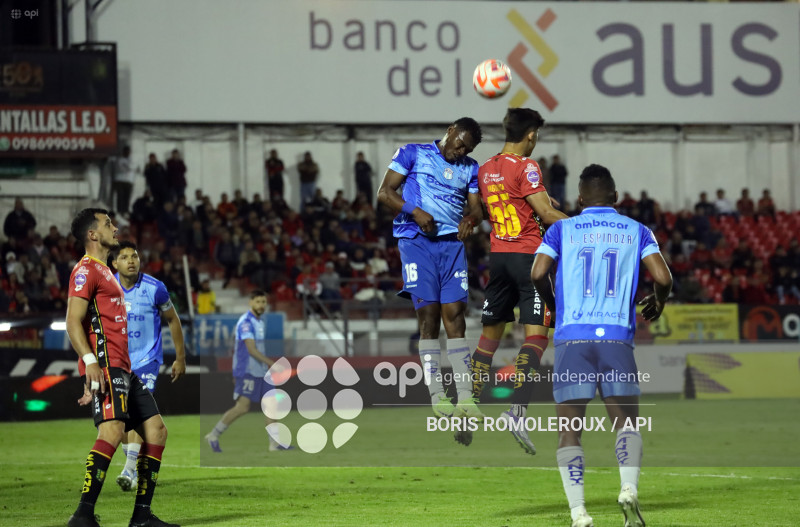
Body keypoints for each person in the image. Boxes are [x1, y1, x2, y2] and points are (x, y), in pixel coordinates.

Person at [531, 164, 673, 527]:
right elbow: (662, 277)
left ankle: (579, 512)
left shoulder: (562, 228)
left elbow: (537, 272)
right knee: (626, 424)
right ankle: (628, 490)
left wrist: (554, 305)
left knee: (569, 431)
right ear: (616, 197)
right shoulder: (637, 230)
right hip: (615, 338)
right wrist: (658, 300)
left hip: (572, 337)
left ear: (580, 199)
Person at [460, 108, 568, 452]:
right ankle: (517, 411)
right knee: (536, 336)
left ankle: (467, 407)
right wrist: (584, 229)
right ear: (531, 135)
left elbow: (484, 209)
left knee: (489, 338)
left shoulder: (486, 167)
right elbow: (547, 214)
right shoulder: (527, 167)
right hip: (528, 260)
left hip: (499, 258)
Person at [66, 208, 177, 527]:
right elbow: (73, 321)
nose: (115, 228)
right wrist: (89, 364)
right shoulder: (86, 271)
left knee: (156, 430)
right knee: (113, 430)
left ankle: (141, 517)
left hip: (123, 368)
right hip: (108, 366)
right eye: (107, 224)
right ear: (92, 234)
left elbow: (92, 325)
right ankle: (83, 514)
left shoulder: (104, 271)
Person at [376, 117, 484, 419]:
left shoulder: (472, 168)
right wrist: (415, 211)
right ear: (450, 132)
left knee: (455, 316)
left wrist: (471, 220)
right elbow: (385, 193)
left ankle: (465, 397)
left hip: (451, 245)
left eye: (467, 148)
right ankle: (437, 396)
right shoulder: (412, 153)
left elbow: (476, 207)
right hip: (417, 243)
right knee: (429, 317)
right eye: (460, 142)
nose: (461, 150)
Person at [110, 241, 186, 492]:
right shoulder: (106, 289)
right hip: (118, 361)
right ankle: (131, 463)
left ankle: (129, 469)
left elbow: (173, 320)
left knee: (140, 413)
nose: (131, 260)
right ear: (115, 263)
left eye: (135, 256)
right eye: (125, 257)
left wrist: (180, 357)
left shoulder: (156, 288)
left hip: (146, 361)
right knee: (121, 419)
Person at [204, 290, 292, 452]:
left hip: (261, 370)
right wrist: (271, 363)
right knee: (242, 407)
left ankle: (274, 444)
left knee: (271, 404)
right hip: (247, 370)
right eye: (258, 301)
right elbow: (251, 349)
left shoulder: (260, 322)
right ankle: (213, 435)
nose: (261, 305)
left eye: (263, 302)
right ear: (250, 302)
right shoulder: (246, 322)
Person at [113, 146, 136, 215]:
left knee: (127, 196)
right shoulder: (119, 160)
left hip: (128, 181)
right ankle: (120, 211)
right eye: (126, 151)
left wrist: (128, 167)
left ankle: (125, 210)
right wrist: (128, 168)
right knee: (120, 196)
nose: (127, 153)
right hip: (120, 180)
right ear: (123, 152)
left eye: (128, 151)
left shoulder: (131, 159)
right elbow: (122, 169)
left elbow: (132, 168)